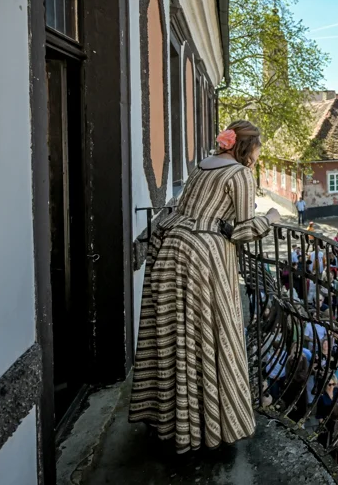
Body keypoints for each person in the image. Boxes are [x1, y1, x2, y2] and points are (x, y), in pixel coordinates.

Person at [129, 121, 278, 452]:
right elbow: (240, 230)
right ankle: (206, 429)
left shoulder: (202, 166)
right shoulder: (239, 174)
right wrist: (269, 218)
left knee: (173, 337)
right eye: (257, 147)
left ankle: (172, 422)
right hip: (204, 258)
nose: (258, 153)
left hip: (170, 249)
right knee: (211, 337)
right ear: (247, 148)